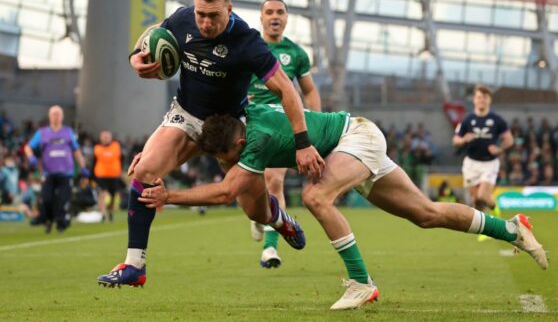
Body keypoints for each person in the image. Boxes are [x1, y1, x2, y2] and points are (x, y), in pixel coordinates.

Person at [138, 104, 548, 310]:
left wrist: (169, 196)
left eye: (229, 155)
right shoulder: (242, 121)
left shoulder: (256, 140)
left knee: (316, 196)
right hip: (351, 142)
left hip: (357, 138)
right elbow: (218, 165)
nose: (229, 160)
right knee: (426, 214)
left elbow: (227, 192)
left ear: (240, 144)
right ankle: (511, 228)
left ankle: (361, 282)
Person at [97, 0, 323, 287]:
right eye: (201, 14)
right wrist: (136, 58)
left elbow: (287, 90)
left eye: (213, 16)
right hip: (187, 115)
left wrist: (303, 143)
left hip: (231, 128)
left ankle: (277, 218)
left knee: (254, 211)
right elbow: (152, 33)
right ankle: (135, 266)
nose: (205, 23)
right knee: (144, 171)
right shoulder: (183, 19)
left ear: (228, 10)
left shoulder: (247, 41)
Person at [247, 0, 321, 268]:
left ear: (287, 18)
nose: (275, 16)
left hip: (282, 122)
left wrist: (312, 122)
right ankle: (257, 215)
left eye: (280, 12)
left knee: (274, 180)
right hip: (250, 121)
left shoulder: (297, 54)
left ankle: (270, 248)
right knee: (250, 182)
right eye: (269, 12)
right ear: (262, 17)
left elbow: (310, 90)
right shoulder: (249, 46)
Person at [452, 85, 513, 223]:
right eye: (479, 97)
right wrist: (463, 139)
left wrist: (499, 149)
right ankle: (484, 231)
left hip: (489, 163)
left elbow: (509, 139)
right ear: (474, 99)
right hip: (471, 163)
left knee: (482, 195)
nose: (481, 100)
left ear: (489, 100)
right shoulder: (467, 120)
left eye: (485, 97)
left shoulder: (497, 120)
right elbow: (455, 140)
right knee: (475, 200)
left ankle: (495, 207)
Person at [24, 105, 89, 233]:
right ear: (50, 116)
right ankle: (48, 219)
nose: (56, 116)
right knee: (47, 199)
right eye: (53, 114)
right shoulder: (42, 133)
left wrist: (83, 166)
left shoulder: (68, 132)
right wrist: (31, 158)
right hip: (48, 173)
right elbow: (28, 147)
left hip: (66, 173)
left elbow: (76, 151)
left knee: (63, 199)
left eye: (58, 114)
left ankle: (61, 223)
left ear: (62, 116)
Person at [93, 130, 123, 222]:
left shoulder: (116, 146)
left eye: (107, 136)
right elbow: (94, 162)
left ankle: (110, 211)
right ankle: (102, 213)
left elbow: (121, 158)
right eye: (103, 136)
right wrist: (92, 176)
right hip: (101, 175)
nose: (105, 138)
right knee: (102, 194)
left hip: (114, 175)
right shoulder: (97, 148)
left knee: (113, 196)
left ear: (110, 137)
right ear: (100, 138)